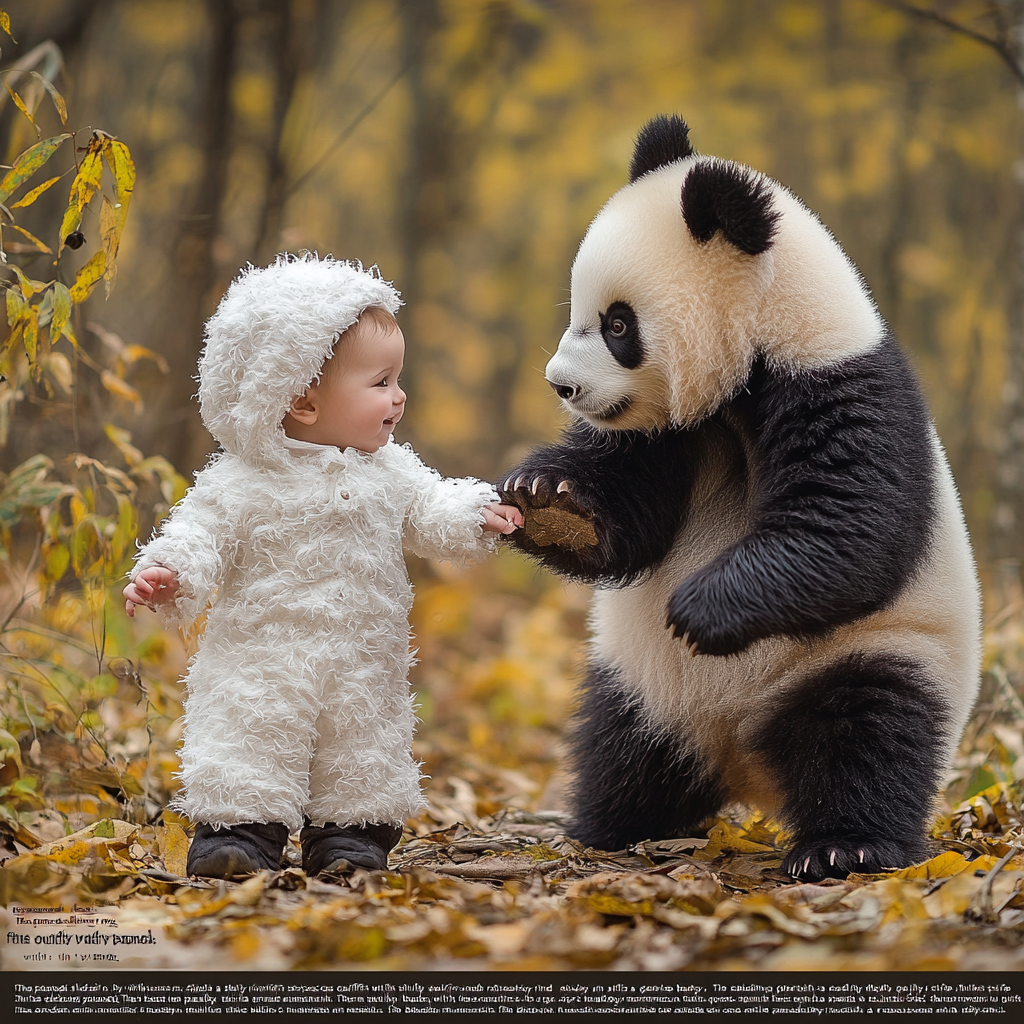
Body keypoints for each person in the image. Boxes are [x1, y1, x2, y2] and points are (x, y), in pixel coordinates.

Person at [123, 255, 523, 880]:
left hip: (363, 654)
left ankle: (352, 838)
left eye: (399, 378)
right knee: (250, 729)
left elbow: (430, 506)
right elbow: (199, 533)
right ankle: (238, 832)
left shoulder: (390, 470)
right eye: (381, 381)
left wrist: (475, 514)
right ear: (303, 400)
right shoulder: (243, 480)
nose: (400, 396)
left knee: (360, 742)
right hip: (263, 650)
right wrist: (172, 572)